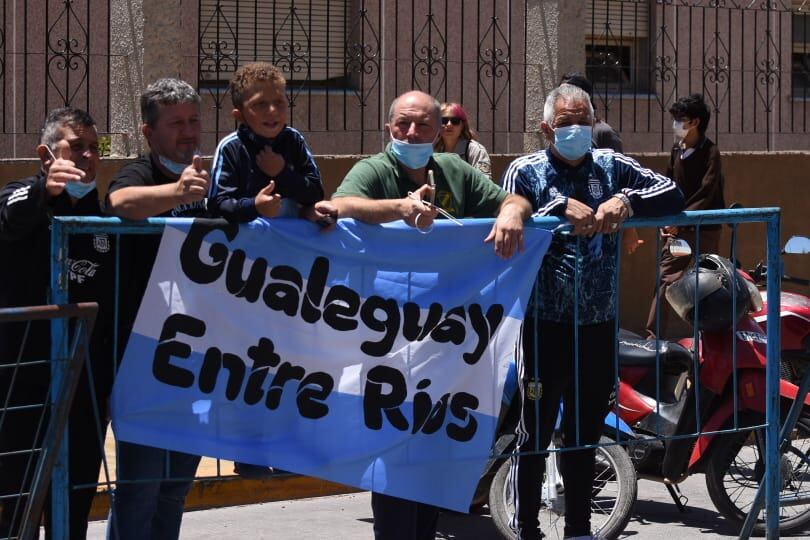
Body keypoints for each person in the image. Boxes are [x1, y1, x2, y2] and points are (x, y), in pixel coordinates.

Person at [305, 90, 532, 540]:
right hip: (388, 344)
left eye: (423, 126)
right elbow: (340, 206)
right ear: (389, 128)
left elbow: (515, 201)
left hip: (450, 345)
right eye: (403, 125)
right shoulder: (374, 170)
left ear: (440, 129)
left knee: (435, 460)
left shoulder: (453, 170)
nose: (412, 133)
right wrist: (400, 210)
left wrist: (511, 214)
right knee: (393, 460)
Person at [500, 83, 684, 540]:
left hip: (598, 327)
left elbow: (672, 194)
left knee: (584, 432)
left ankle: (579, 528)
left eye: (584, 120)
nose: (576, 130)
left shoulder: (610, 165)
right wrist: (556, 209)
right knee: (535, 433)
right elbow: (507, 210)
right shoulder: (526, 170)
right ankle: (526, 528)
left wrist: (626, 200)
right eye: (566, 123)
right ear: (547, 128)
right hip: (543, 327)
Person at [105, 78, 213, 540]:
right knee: (140, 487)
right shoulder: (140, 173)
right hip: (143, 357)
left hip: (199, 358)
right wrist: (179, 195)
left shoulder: (217, 177)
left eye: (193, 120)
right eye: (175, 123)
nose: (187, 132)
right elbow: (119, 202)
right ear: (149, 133)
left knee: (173, 488)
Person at [0, 107, 115, 539]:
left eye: (93, 148)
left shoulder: (103, 216)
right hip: (23, 378)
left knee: (73, 504)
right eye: (75, 147)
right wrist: (42, 191)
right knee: (16, 504)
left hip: (83, 381)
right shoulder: (21, 195)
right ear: (47, 153)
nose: (87, 156)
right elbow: (10, 217)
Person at [645, 93, 725, 339]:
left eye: (681, 119)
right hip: (677, 230)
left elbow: (707, 191)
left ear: (695, 122)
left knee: (708, 283)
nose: (676, 125)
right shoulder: (676, 150)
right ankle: (653, 339)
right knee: (666, 280)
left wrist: (681, 220)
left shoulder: (711, 152)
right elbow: (668, 185)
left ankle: (709, 339)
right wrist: (665, 218)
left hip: (704, 228)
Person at [210, 62, 323, 223]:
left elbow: (316, 193)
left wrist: (282, 173)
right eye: (260, 104)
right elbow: (217, 206)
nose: (272, 111)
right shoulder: (230, 148)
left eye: (279, 102)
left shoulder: (294, 140)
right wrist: (254, 206)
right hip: (246, 245)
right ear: (239, 116)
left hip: (291, 242)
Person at [561, 72, 643, 255]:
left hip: (600, 225)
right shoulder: (560, 131)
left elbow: (622, 180)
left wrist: (629, 228)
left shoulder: (603, 133)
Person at [433, 102, 492, 180]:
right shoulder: (433, 149)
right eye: (444, 120)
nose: (449, 124)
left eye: (455, 121)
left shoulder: (475, 150)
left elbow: (485, 183)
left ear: (462, 125)